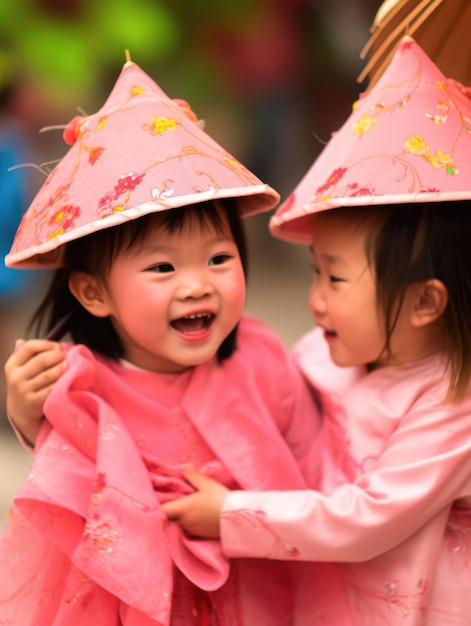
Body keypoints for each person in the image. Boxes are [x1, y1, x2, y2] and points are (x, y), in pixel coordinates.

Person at [0, 57, 328, 626]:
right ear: (94, 293)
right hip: (132, 604)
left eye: (219, 258)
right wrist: (31, 416)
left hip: (255, 589)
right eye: (162, 268)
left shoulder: (261, 358)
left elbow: (312, 463)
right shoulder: (79, 379)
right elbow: (74, 477)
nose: (198, 283)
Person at [159, 37, 471, 624]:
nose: (315, 300)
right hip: (326, 598)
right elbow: (251, 398)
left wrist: (232, 514)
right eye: (315, 272)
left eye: (336, 278)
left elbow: (369, 515)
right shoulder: (323, 356)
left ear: (426, 301)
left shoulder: (453, 403)